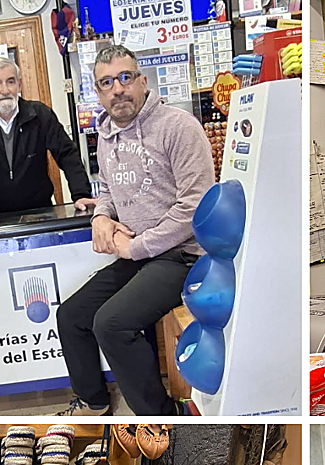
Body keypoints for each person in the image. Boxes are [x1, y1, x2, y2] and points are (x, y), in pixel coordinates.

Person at [56, 43, 215, 416]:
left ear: (143, 82)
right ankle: (95, 403)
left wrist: (136, 247)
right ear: (97, 92)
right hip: (138, 255)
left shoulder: (178, 127)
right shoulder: (107, 136)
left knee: (111, 324)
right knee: (72, 316)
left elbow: (195, 207)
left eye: (126, 78)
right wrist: (100, 217)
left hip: (182, 256)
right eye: (107, 82)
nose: (118, 88)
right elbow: (108, 191)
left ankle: (162, 418)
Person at [0, 57, 95, 231]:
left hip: (40, 214)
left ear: (19, 85)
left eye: (11, 81)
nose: (5, 90)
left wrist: (81, 194)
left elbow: (67, 154)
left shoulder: (40, 114)